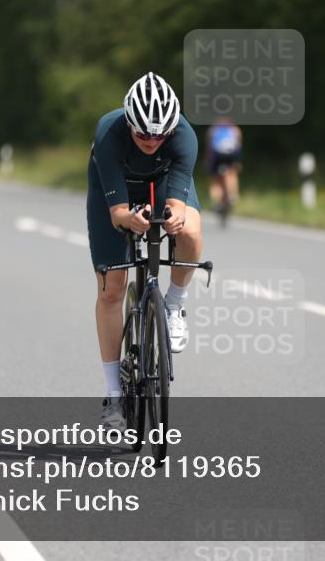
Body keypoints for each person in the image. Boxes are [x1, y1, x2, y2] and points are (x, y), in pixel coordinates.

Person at [86, 72, 203, 429]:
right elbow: (119, 213)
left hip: (164, 181)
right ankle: (113, 396)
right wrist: (128, 218)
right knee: (112, 289)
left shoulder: (183, 136)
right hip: (116, 186)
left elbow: (177, 206)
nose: (152, 140)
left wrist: (175, 219)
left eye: (160, 134)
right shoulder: (109, 132)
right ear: (129, 122)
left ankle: (174, 304)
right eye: (143, 134)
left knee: (193, 231)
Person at [205, 117, 243, 213]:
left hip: (218, 154)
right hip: (232, 154)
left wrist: (208, 161)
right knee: (232, 173)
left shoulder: (214, 129)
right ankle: (233, 196)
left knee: (215, 178)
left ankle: (216, 201)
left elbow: (210, 148)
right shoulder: (234, 129)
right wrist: (238, 162)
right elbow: (238, 145)